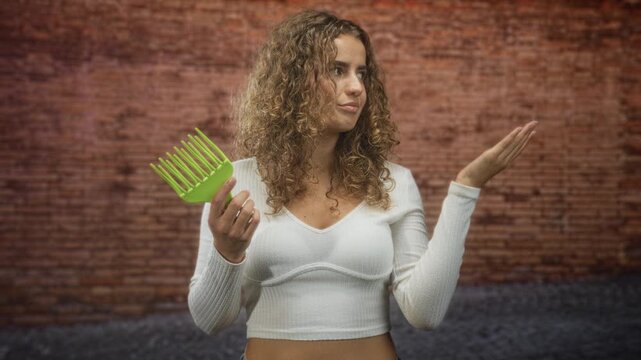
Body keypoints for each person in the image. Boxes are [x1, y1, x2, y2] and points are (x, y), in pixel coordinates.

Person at [188, 9, 537, 360]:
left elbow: (425, 312)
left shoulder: (393, 183)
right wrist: (226, 253)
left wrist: (465, 188)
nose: (356, 87)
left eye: (362, 74)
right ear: (293, 81)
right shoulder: (236, 182)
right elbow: (210, 320)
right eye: (337, 71)